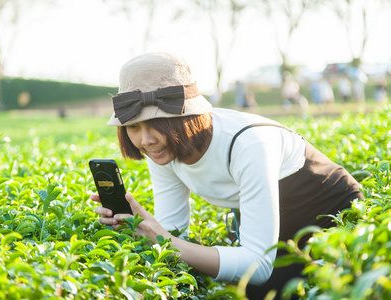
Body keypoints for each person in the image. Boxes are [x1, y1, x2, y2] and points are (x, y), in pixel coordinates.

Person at [91, 53, 364, 299]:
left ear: (184, 118)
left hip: (330, 214)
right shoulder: (162, 150)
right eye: (134, 126)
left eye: (155, 124)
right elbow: (173, 233)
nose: (146, 140)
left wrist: (163, 239)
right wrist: (137, 230)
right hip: (271, 223)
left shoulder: (249, 143)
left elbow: (256, 265)